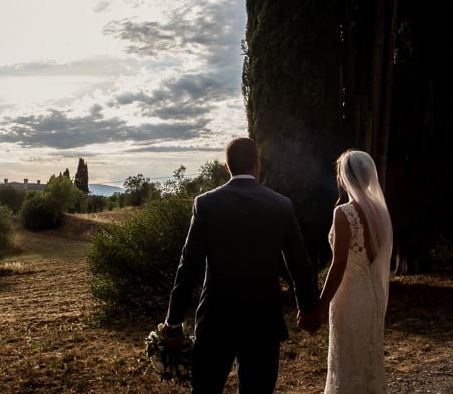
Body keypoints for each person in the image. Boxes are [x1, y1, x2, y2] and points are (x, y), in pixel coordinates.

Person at [162, 136, 320, 394]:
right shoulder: (281, 205)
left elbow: (188, 265)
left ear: (227, 167)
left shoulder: (206, 204)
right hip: (263, 324)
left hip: (215, 322)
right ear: (258, 165)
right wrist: (308, 307)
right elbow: (298, 261)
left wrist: (174, 321)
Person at [298, 149, 393, 393]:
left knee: (348, 363)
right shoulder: (381, 213)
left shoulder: (344, 213)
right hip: (374, 297)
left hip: (350, 297)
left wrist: (319, 306)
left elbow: (339, 263)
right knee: (369, 361)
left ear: (343, 178)